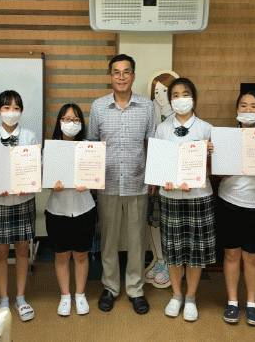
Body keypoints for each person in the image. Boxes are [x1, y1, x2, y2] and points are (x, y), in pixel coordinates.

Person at [87, 53, 156, 315]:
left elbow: (152, 144)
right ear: (110, 76)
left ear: (133, 76)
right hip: (108, 184)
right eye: (116, 72)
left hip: (138, 182)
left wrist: (153, 176)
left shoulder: (147, 106)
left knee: (137, 240)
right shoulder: (98, 107)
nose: (121, 77)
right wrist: (92, 178)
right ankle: (110, 287)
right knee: (109, 240)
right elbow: (92, 145)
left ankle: (136, 289)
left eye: (126, 72)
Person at [157, 77, 215, 322]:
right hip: (170, 196)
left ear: (194, 98)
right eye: (175, 95)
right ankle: (176, 295)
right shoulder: (162, 129)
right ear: (170, 101)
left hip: (198, 197)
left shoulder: (206, 128)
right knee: (172, 249)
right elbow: (159, 164)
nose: (180, 99)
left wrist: (208, 158)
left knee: (195, 250)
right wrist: (163, 180)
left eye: (185, 94)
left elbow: (213, 169)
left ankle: (190, 297)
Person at [219, 91, 255, 327]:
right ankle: (232, 301)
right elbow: (216, 169)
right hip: (228, 200)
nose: (248, 110)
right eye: (243, 105)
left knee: (252, 257)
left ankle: (252, 303)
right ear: (237, 110)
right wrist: (214, 152)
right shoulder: (226, 138)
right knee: (231, 254)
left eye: (254, 106)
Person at [0, 90, 37, 321]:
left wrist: (27, 183)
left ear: (21, 111)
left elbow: (35, 169)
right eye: (6, 107)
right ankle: (3, 299)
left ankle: (21, 298)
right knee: (1, 250)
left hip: (24, 200)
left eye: (16, 108)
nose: (11, 112)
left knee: (22, 249)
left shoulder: (30, 136)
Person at [44, 103, 96, 316]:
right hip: (57, 210)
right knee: (62, 256)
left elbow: (96, 177)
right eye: (66, 119)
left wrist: (90, 183)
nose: (71, 123)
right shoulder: (50, 149)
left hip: (84, 209)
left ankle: (80, 295)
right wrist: (52, 184)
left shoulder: (89, 148)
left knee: (82, 256)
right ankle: (65, 296)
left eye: (75, 120)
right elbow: (44, 179)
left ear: (81, 123)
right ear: (59, 122)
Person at [145, 71, 179, 288]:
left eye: (165, 91)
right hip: (155, 177)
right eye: (156, 91)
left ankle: (169, 262)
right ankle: (159, 260)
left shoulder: (181, 117)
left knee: (172, 224)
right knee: (155, 222)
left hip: (178, 182)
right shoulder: (150, 112)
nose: (160, 95)